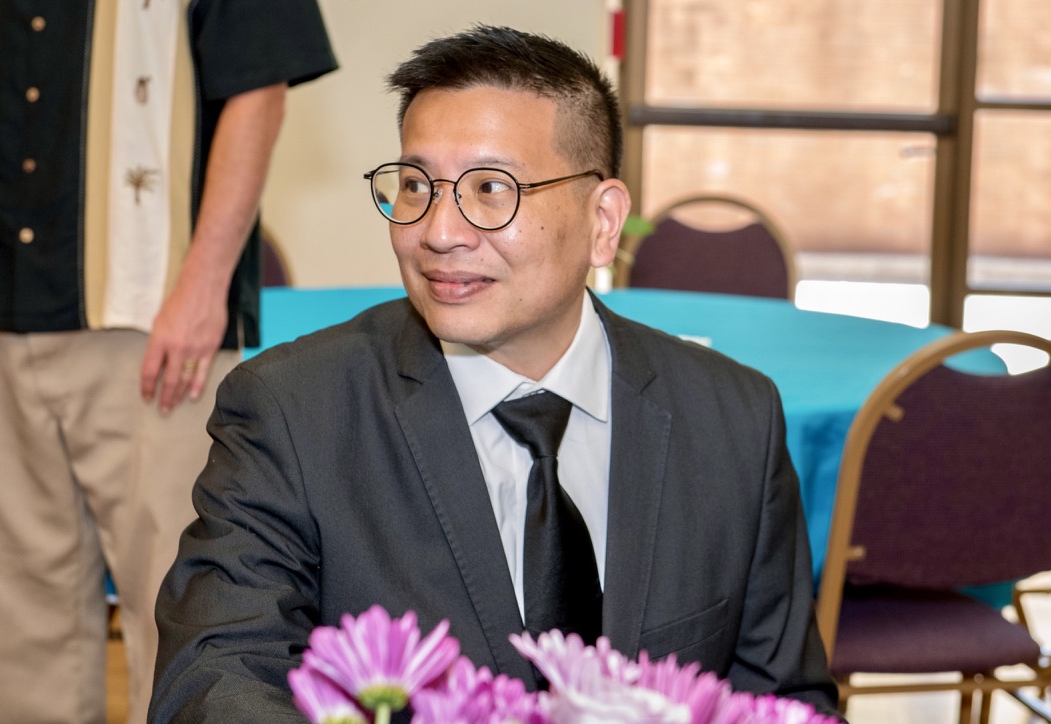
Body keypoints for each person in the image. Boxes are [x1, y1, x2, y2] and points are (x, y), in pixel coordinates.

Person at [150, 24, 840, 722]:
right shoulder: (294, 411)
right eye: (415, 186)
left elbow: (780, 699)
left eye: (490, 188)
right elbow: (214, 677)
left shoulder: (732, 419)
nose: (439, 232)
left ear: (603, 221)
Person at [0, 2, 337, 723]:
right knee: (14, 629)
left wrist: (204, 283)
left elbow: (259, 82)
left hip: (156, 322)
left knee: (184, 615)